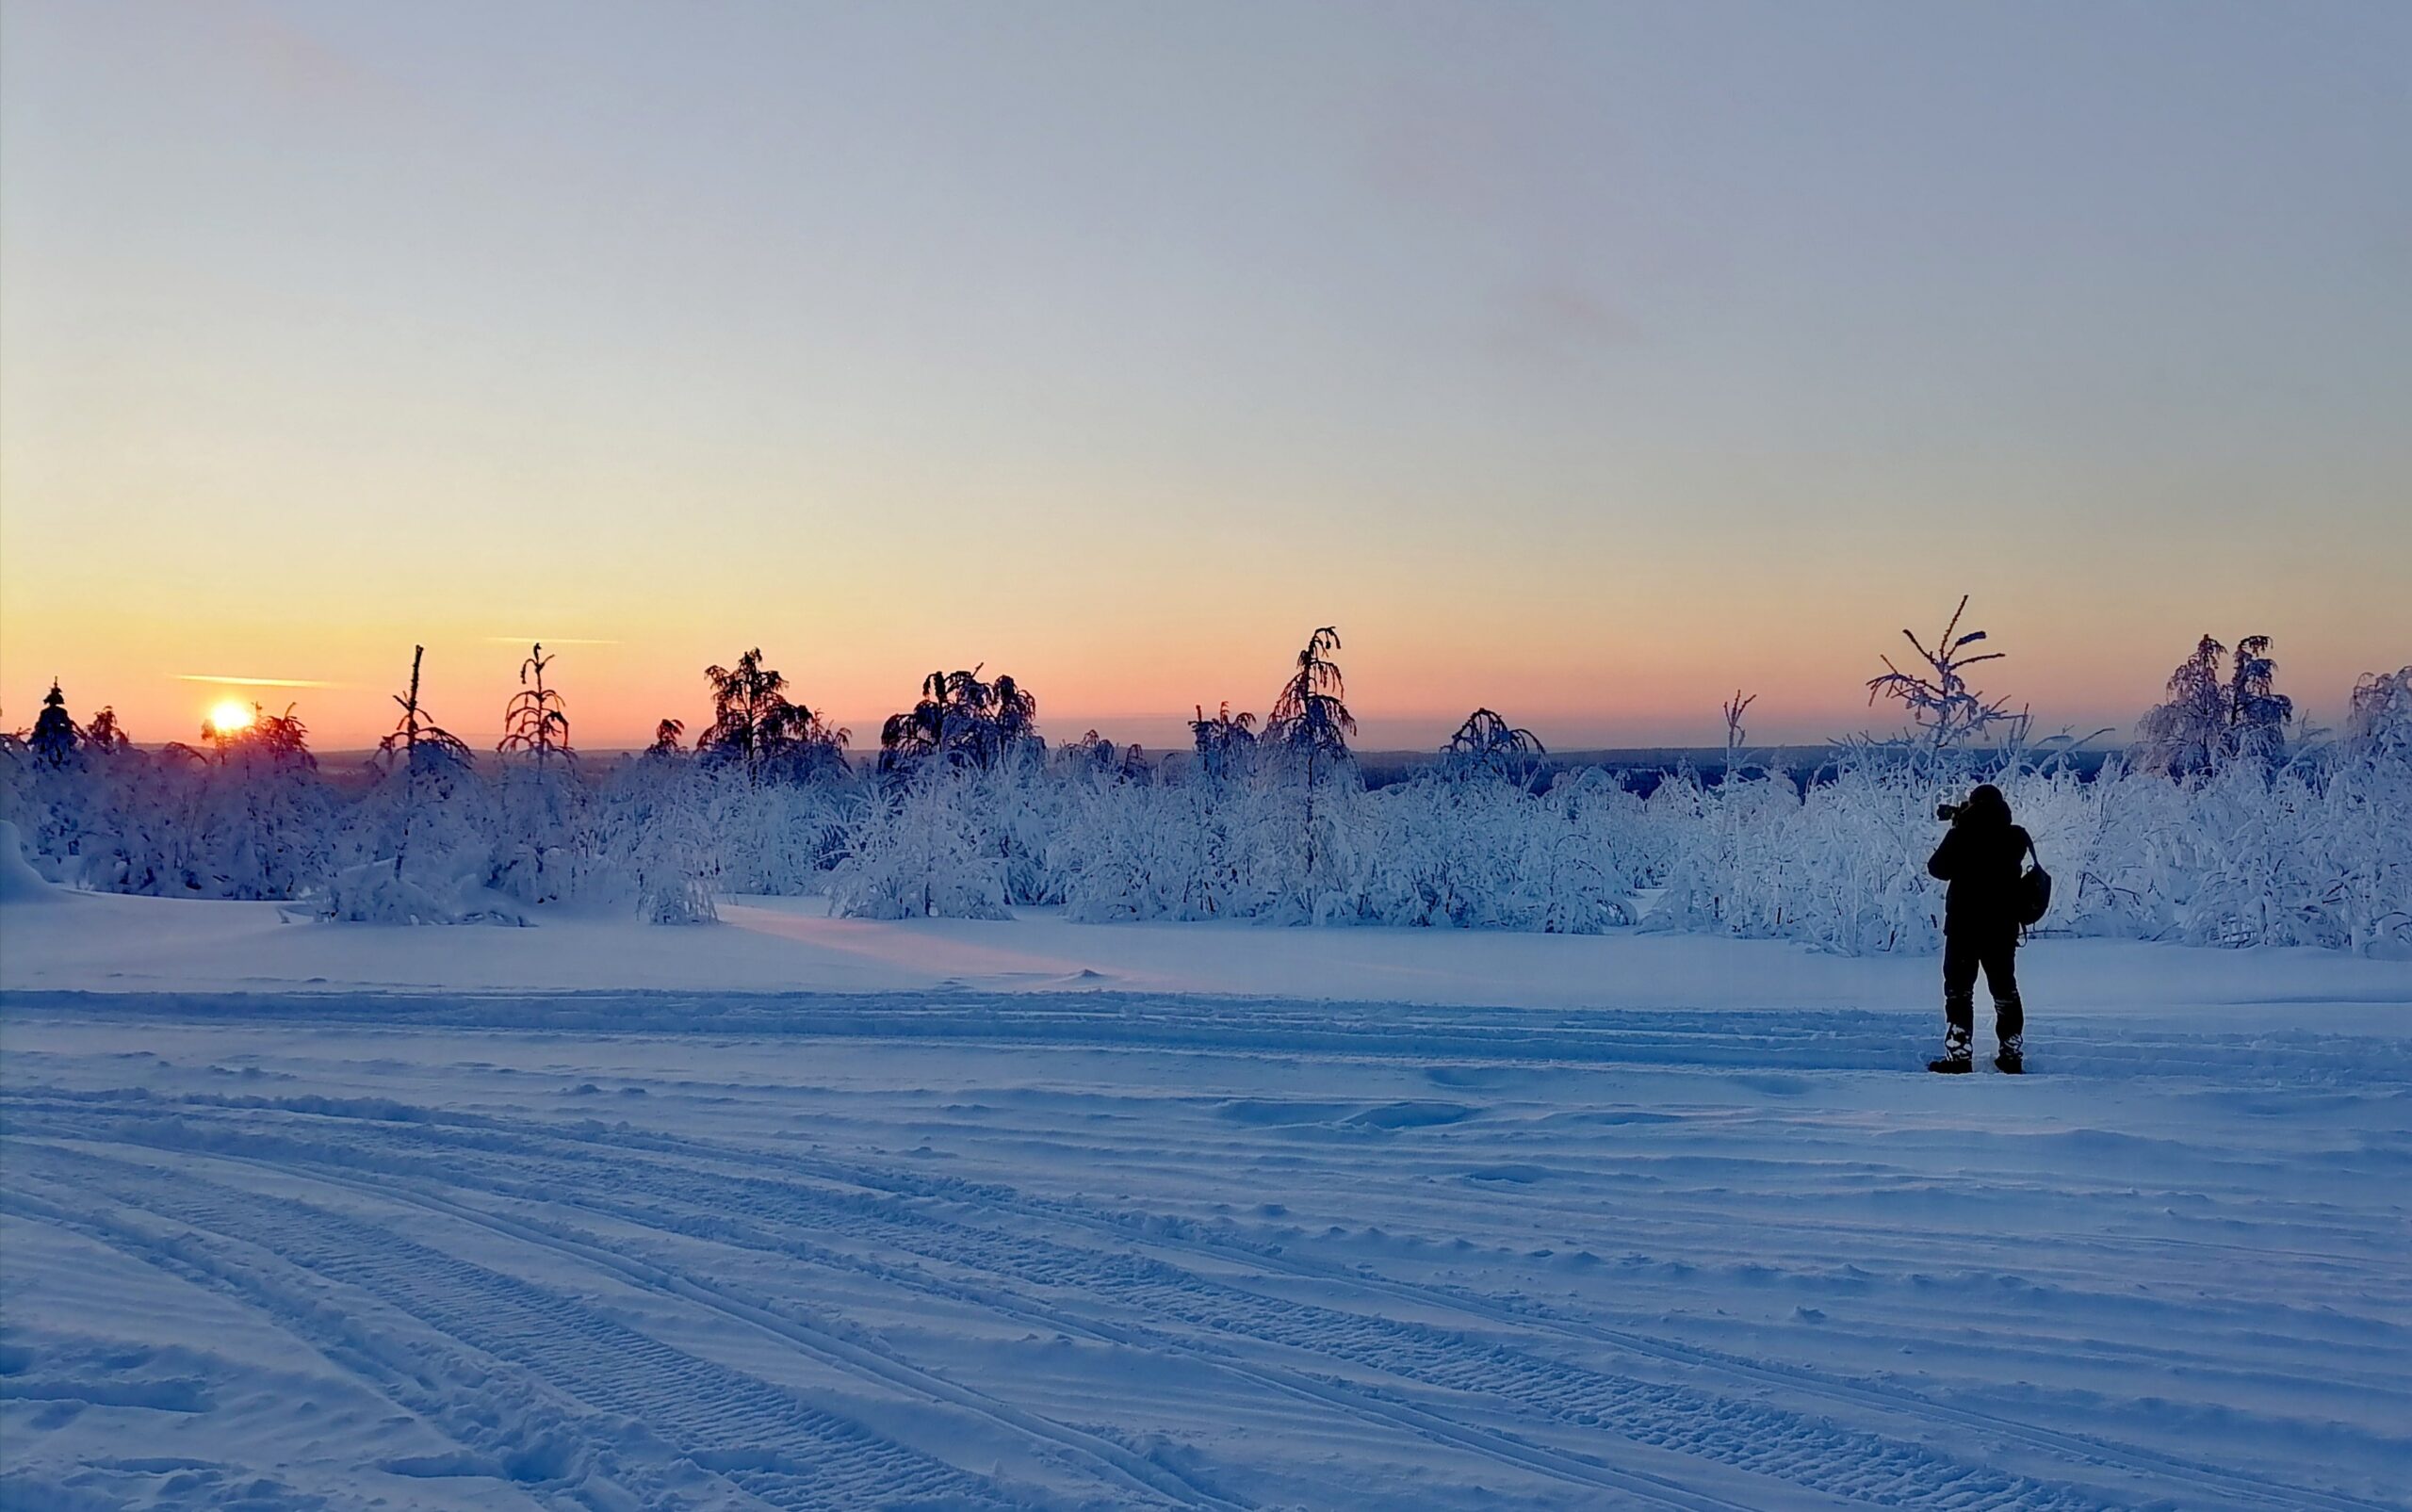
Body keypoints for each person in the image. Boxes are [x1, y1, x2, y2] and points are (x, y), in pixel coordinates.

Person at [1925, 784, 2031, 1073]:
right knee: (2005, 989)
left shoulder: (1963, 834)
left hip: (1964, 926)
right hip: (2002, 927)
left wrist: (1958, 826)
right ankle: (2011, 1053)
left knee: (1959, 991)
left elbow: (1937, 868)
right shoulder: (2015, 837)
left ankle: (1959, 1055)